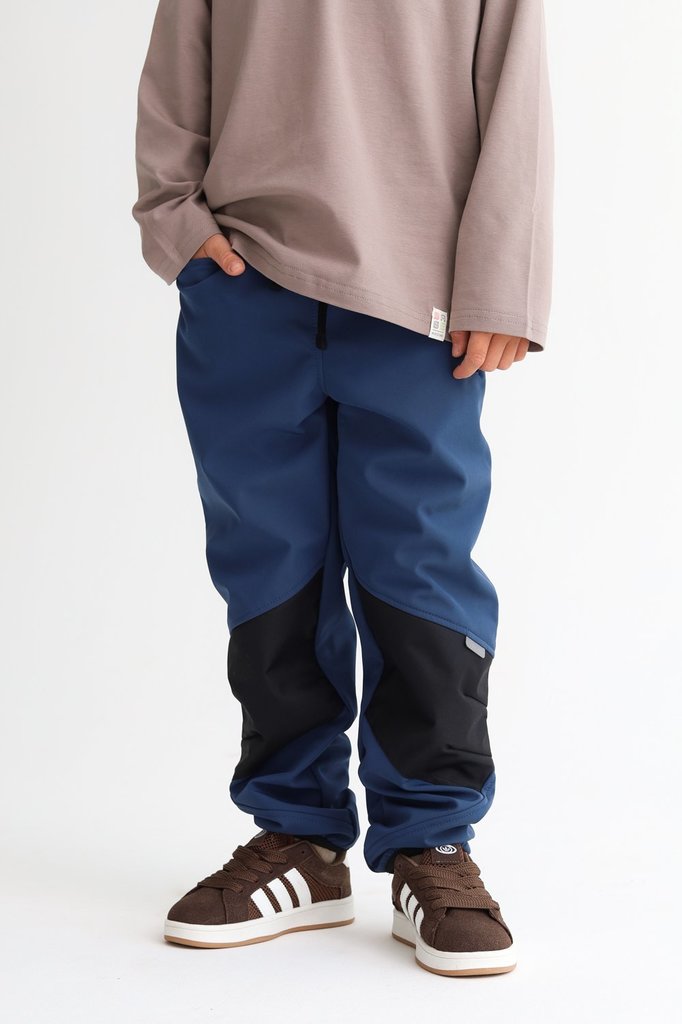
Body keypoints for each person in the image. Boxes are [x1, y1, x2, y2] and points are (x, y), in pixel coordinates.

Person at [132, 0, 553, 977]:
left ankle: (431, 841)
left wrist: (503, 283)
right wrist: (176, 224)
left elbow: (515, 89)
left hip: (418, 294)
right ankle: (299, 837)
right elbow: (176, 68)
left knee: (418, 560)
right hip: (246, 276)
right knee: (267, 560)